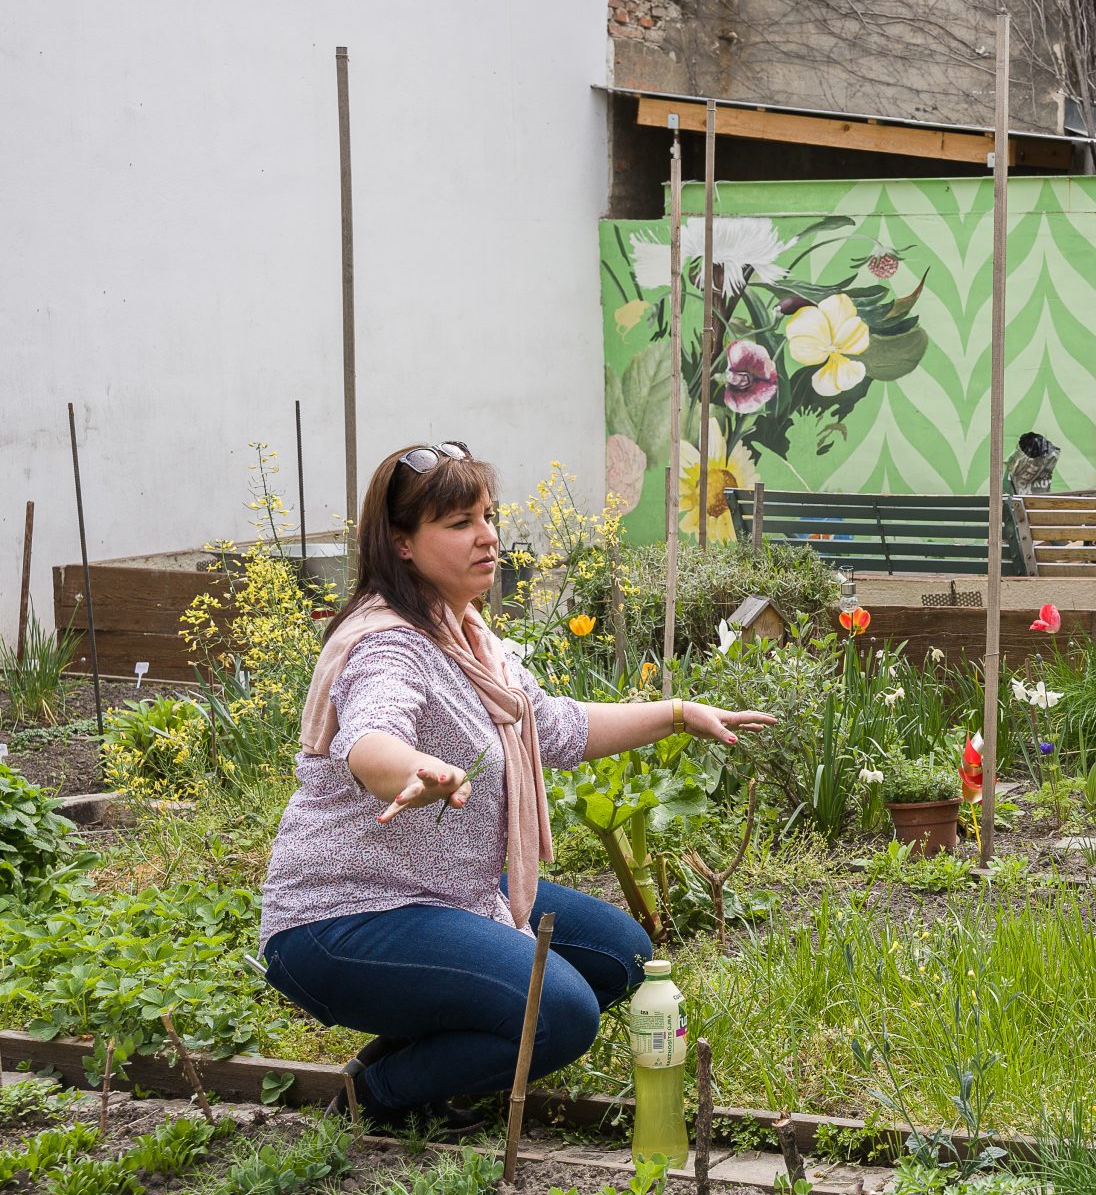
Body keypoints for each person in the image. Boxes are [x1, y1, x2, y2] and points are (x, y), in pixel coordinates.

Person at [260, 442, 776, 1134]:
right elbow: (369, 737)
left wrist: (679, 715)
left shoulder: (472, 642)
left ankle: (414, 1053)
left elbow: (557, 727)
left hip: (452, 891)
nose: (488, 535)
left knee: (622, 957)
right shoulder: (388, 644)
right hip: (345, 914)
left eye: (488, 515)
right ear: (402, 544)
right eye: (459, 522)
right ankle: (377, 1095)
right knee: (561, 1012)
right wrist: (411, 768)